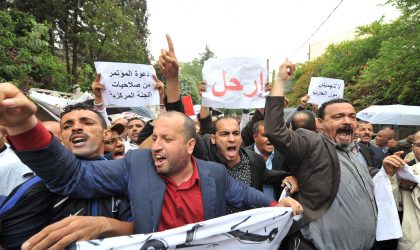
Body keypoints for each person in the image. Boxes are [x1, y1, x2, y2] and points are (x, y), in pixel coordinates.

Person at [0, 35, 303, 235]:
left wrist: (279, 206)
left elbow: (249, 197)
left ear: (189, 146)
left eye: (166, 140)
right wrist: (24, 128)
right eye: (154, 137)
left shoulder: (215, 174)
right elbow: (71, 177)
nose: (155, 146)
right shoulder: (135, 165)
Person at [262, 60, 401, 250]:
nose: (347, 121)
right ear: (319, 123)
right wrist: (280, 82)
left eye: (352, 117)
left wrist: (384, 171)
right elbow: (275, 130)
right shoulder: (311, 143)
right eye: (338, 117)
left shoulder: (357, 151)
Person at [0, 103, 133, 249]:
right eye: (67, 126)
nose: (76, 127)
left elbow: (152, 230)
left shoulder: (132, 173)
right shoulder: (38, 184)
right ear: (62, 138)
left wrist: (107, 225)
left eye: (87, 122)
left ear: (106, 134)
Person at [246, 121, 298, 200]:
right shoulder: (245, 156)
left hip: (279, 208)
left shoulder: (284, 154)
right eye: (265, 135)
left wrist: (293, 178)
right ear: (255, 137)